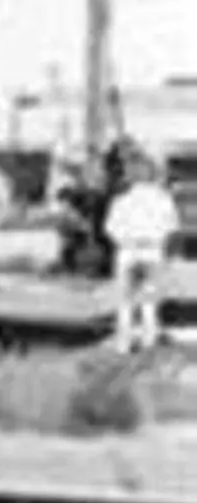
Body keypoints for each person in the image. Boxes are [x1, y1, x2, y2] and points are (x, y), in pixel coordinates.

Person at [104, 144, 178, 353]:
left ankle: (124, 343)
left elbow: (110, 228)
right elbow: (171, 225)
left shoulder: (121, 200)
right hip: (152, 251)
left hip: (127, 251)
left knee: (125, 301)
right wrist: (158, 239)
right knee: (148, 301)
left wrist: (125, 241)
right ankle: (148, 340)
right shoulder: (163, 199)